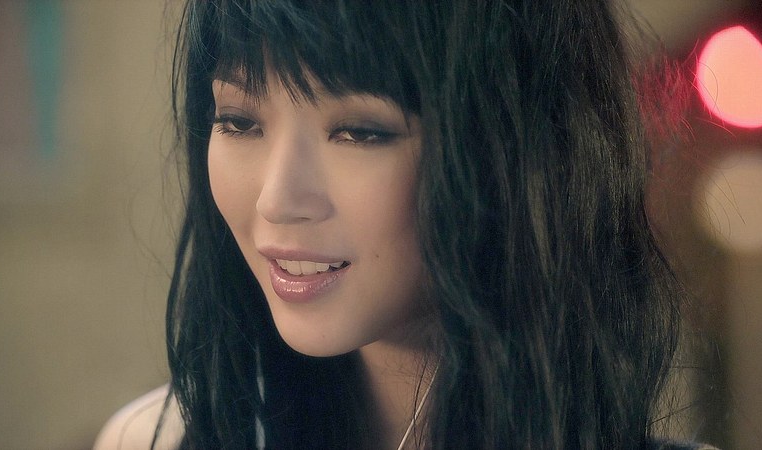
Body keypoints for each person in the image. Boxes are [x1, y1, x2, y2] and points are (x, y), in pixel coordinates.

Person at [96, 0, 699, 448]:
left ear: (515, 151)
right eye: (238, 122)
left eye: (359, 133)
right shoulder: (149, 441)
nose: (277, 201)